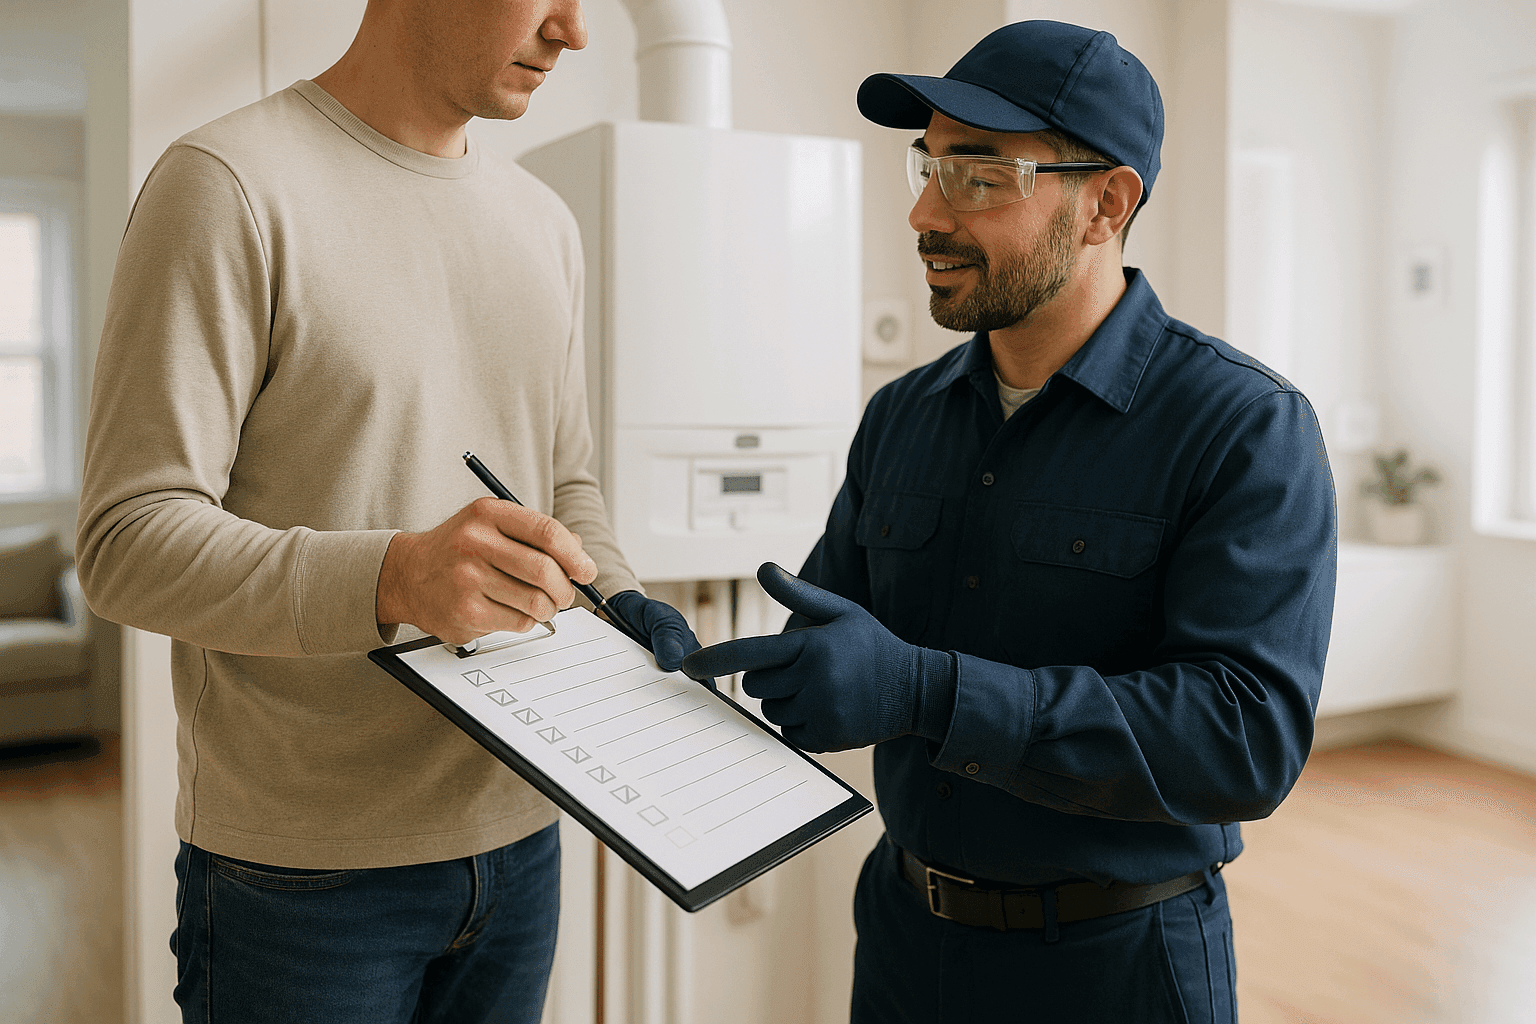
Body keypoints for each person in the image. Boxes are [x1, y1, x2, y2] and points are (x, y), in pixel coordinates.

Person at [683, 19, 1337, 1023]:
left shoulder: (1244, 425)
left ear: (1105, 204)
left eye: (978, 177)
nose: (923, 213)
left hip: (1118, 966)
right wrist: (667, 667)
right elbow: (832, 647)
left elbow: (1243, 739)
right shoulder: (901, 415)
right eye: (929, 167)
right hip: (904, 941)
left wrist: (931, 693)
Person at [75, 1, 705, 1021]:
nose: (573, 31)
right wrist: (396, 577)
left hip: (521, 838)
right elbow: (126, 540)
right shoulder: (227, 184)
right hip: (303, 882)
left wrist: (620, 595)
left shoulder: (545, 222)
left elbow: (566, 483)